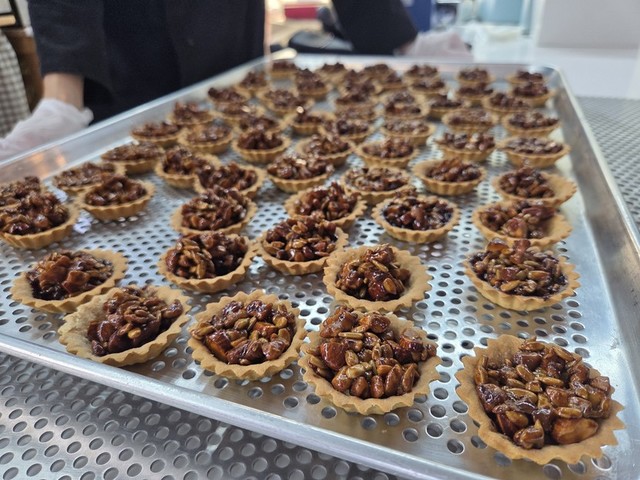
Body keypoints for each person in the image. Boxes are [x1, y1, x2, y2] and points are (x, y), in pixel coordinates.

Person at [0, 0, 471, 160]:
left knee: (251, 131)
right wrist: (63, 96)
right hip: (128, 56)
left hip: (231, 49)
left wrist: (398, 38)